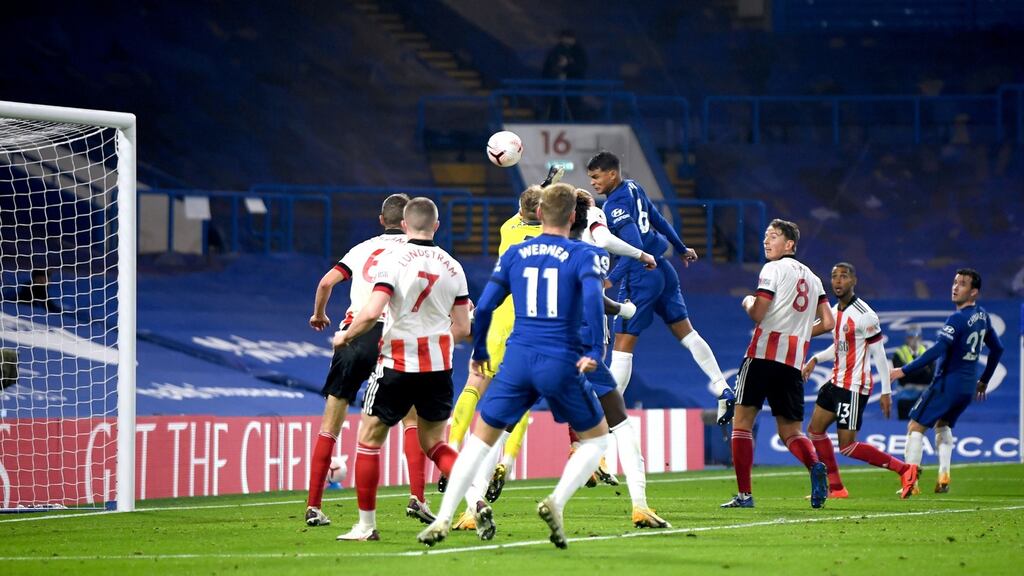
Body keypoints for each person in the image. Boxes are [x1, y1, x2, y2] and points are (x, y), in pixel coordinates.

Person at [417, 183, 610, 549]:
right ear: (572, 217)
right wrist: (594, 350)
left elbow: (486, 307)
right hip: (560, 359)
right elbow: (593, 303)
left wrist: (479, 350)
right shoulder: (583, 255)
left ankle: (443, 517)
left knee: (479, 441)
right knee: (597, 438)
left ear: (539, 215)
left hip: (517, 357)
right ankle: (556, 501)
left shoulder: (515, 252)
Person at [332, 197, 472, 541]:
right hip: (439, 366)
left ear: (405, 225)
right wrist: (436, 340)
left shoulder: (393, 260)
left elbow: (370, 312)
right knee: (435, 444)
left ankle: (366, 526)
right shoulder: (453, 266)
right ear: (436, 226)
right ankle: (476, 500)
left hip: (397, 362)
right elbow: (464, 327)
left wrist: (345, 336)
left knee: (368, 439)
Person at [303, 194, 435, 527]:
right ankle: (417, 498)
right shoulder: (417, 250)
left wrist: (319, 314)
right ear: (407, 221)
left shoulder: (362, 249)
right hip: (392, 334)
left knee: (331, 421)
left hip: (353, 334)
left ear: (382, 220)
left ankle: (314, 506)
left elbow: (325, 282)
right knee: (410, 419)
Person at [586, 151, 734, 424]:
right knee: (687, 333)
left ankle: (606, 417)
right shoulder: (635, 188)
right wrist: (681, 248)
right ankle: (723, 387)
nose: (593, 183)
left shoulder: (613, 206)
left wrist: (612, 278)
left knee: (623, 345)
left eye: (596, 177)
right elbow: (659, 220)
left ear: (611, 174)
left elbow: (635, 248)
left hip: (641, 274)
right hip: (665, 269)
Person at [722, 219, 835, 509]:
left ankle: (745, 495)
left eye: (773, 236)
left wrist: (747, 301)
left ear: (790, 245)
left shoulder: (772, 269)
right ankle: (814, 466)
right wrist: (798, 333)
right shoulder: (813, 278)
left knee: (742, 424)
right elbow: (830, 322)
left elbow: (758, 313)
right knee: (792, 432)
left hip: (761, 356)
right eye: (765, 236)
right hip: (793, 363)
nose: (766, 241)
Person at [801, 262, 919, 499]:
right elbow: (840, 346)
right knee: (815, 431)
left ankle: (905, 469)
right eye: (834, 276)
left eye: (843, 276)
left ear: (854, 281)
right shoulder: (834, 312)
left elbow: (879, 355)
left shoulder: (866, 316)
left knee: (847, 446)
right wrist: (815, 358)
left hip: (853, 388)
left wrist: (886, 392)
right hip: (835, 382)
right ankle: (836, 488)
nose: (838, 281)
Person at [890, 268, 1003, 494]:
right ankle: (943, 476)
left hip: (948, 382)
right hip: (968, 386)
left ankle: (911, 483)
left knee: (915, 427)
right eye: (954, 282)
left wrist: (905, 369)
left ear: (973, 293)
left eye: (962, 284)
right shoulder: (983, 316)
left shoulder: (957, 318)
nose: (955, 287)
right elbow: (997, 349)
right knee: (943, 425)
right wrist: (984, 380)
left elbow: (939, 349)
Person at [542, 29, 587, 120]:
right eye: (565, 38)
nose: (568, 40)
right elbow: (549, 67)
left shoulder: (578, 52)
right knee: (555, 108)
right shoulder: (556, 51)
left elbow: (581, 66)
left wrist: (568, 65)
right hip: (556, 86)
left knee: (573, 107)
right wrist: (558, 68)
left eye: (570, 38)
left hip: (573, 86)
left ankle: (575, 122)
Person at [891, 325, 935, 420]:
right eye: (911, 338)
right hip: (905, 396)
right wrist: (923, 370)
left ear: (921, 338)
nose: (914, 341)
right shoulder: (899, 353)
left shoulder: (927, 352)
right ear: (907, 339)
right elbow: (902, 379)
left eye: (917, 338)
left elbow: (930, 377)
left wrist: (909, 372)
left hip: (923, 396)